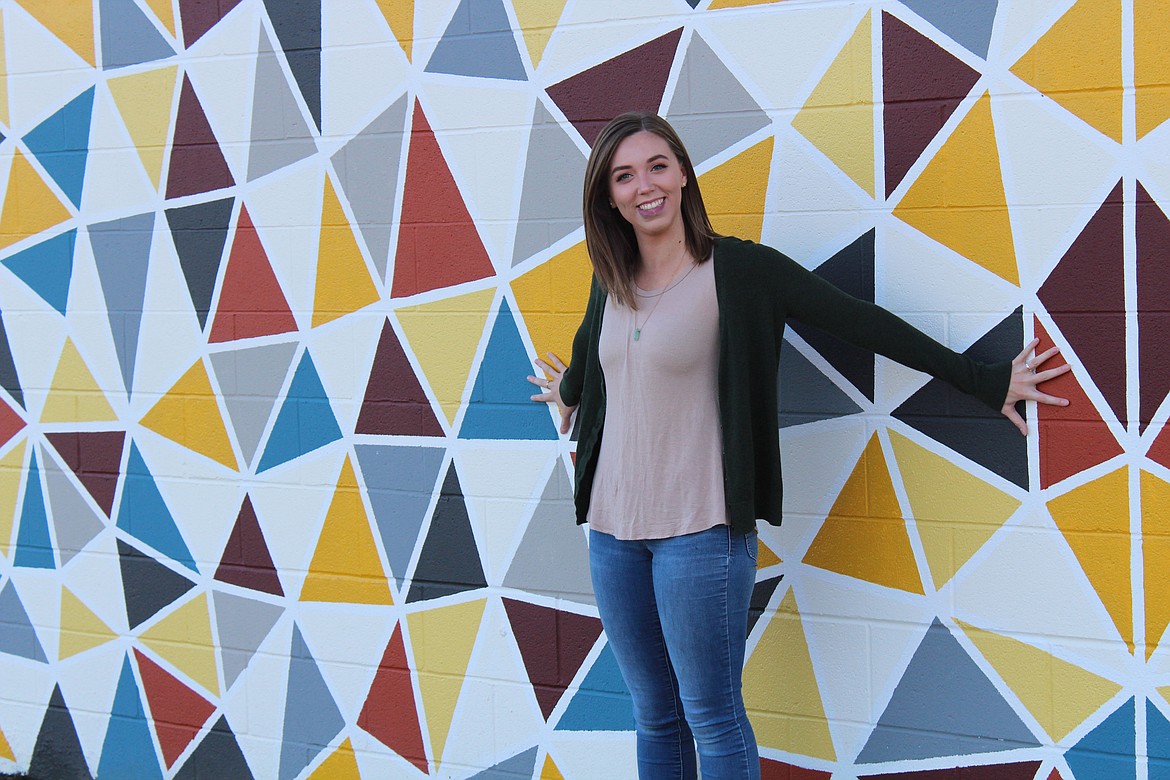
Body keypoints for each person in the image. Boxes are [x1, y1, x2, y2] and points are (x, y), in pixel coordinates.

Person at [527, 112, 1069, 780]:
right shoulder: (608, 277)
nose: (645, 185)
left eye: (658, 165)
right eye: (625, 174)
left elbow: (860, 321)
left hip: (701, 535)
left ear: (684, 172)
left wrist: (984, 381)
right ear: (609, 196)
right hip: (612, 536)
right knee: (653, 716)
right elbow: (593, 349)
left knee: (713, 717)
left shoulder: (741, 272)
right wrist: (570, 391)